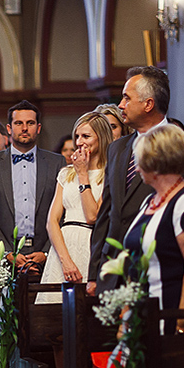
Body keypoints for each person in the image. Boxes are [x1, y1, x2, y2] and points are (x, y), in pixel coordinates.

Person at [88, 66, 184, 296]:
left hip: (159, 272)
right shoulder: (117, 148)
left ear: (148, 104)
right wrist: (95, 272)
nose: (121, 105)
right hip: (112, 272)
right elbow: (107, 212)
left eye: (126, 98)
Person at [122, 125, 184, 334]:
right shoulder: (149, 202)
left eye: (140, 160)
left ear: (156, 162)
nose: (136, 168)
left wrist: (181, 323)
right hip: (145, 318)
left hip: (170, 316)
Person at [0, 100, 66, 274]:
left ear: (38, 128)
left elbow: (63, 214)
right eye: (18, 123)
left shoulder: (57, 162)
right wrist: (7, 253)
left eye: (30, 123)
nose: (24, 128)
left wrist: (47, 252)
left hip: (46, 257)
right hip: (1, 259)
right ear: (9, 128)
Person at [36, 112, 113, 303]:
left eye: (86, 136)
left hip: (91, 245)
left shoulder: (109, 173)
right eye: (77, 136)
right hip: (63, 247)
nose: (79, 142)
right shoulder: (65, 174)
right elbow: (52, 221)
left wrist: (83, 174)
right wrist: (65, 260)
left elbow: (92, 216)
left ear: (101, 138)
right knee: (52, 314)